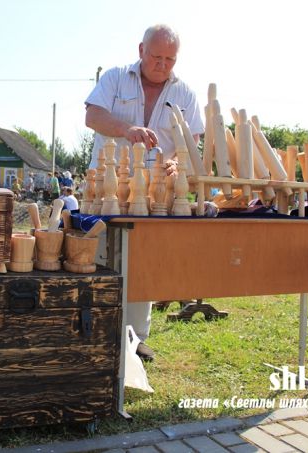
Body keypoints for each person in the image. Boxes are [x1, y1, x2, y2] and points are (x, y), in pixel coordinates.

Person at [84, 24, 205, 362]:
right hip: (107, 190)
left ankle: (135, 340)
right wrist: (127, 129)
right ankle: (96, 334)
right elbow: (92, 116)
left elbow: (191, 146)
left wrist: (178, 168)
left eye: (170, 59)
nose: (162, 64)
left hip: (154, 194)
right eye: (156, 57)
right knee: (100, 258)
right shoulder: (115, 78)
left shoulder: (185, 94)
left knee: (142, 264)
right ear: (141, 51)